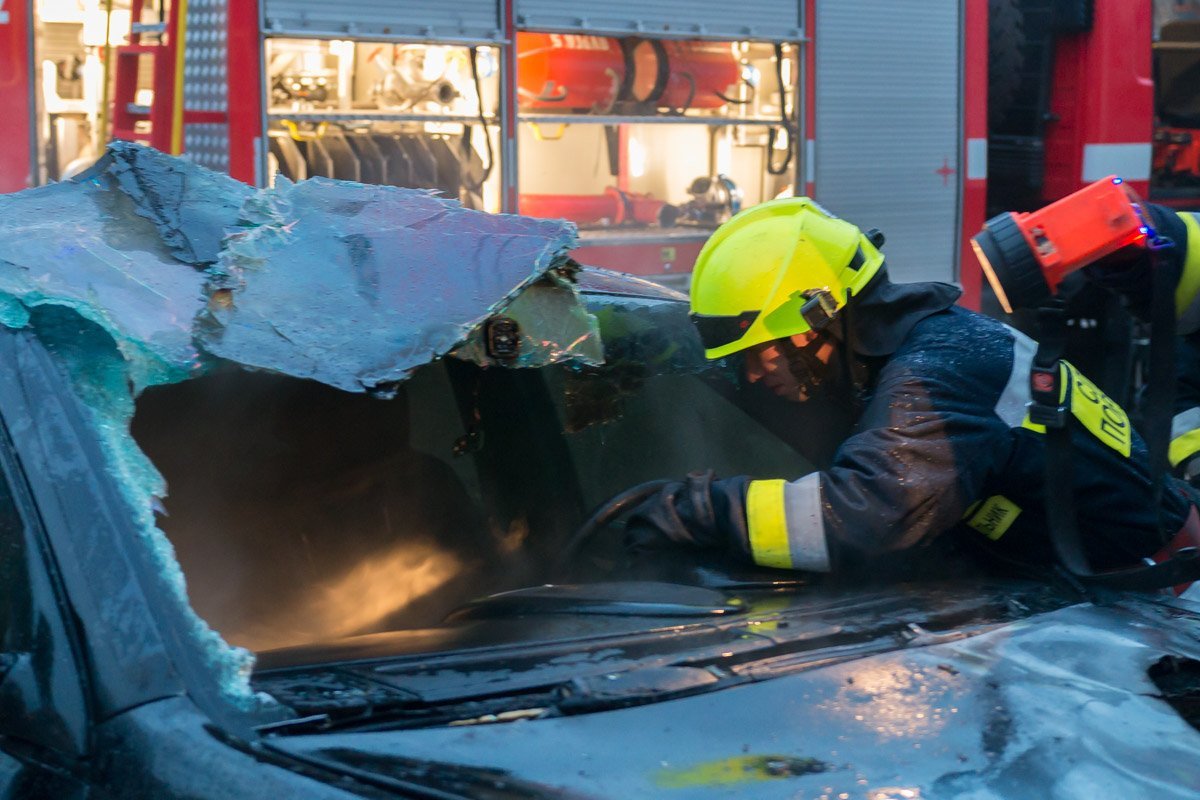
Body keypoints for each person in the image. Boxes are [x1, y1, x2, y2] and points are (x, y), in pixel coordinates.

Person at [625, 197, 1200, 581]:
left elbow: (870, 517)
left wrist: (701, 510)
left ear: (819, 318)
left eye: (763, 351)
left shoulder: (936, 370)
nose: (753, 373)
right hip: (1083, 580)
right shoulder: (913, 349)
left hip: (1157, 585)